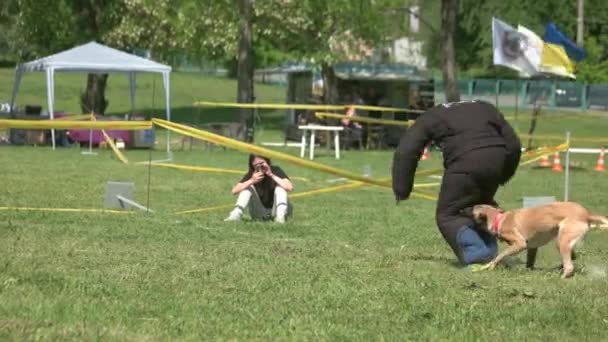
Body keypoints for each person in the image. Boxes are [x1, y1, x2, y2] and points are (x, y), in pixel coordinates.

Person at [392, 100, 521, 265]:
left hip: (465, 161)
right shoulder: (484, 107)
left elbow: (407, 150)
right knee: (478, 208)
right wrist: (504, 174)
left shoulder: (432, 116)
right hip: (497, 158)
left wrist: (401, 189)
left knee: (449, 215)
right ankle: (491, 254)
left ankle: (477, 255)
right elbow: (514, 144)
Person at [224, 154, 294, 223]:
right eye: (256, 166)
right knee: (248, 187)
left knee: (280, 188)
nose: (260, 167)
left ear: (267, 161)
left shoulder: (275, 170)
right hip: (260, 212)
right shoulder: (252, 174)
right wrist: (251, 181)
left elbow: (289, 187)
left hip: (276, 210)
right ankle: (236, 214)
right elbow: (234, 191)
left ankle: (280, 218)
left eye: (262, 163)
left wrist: (271, 175)